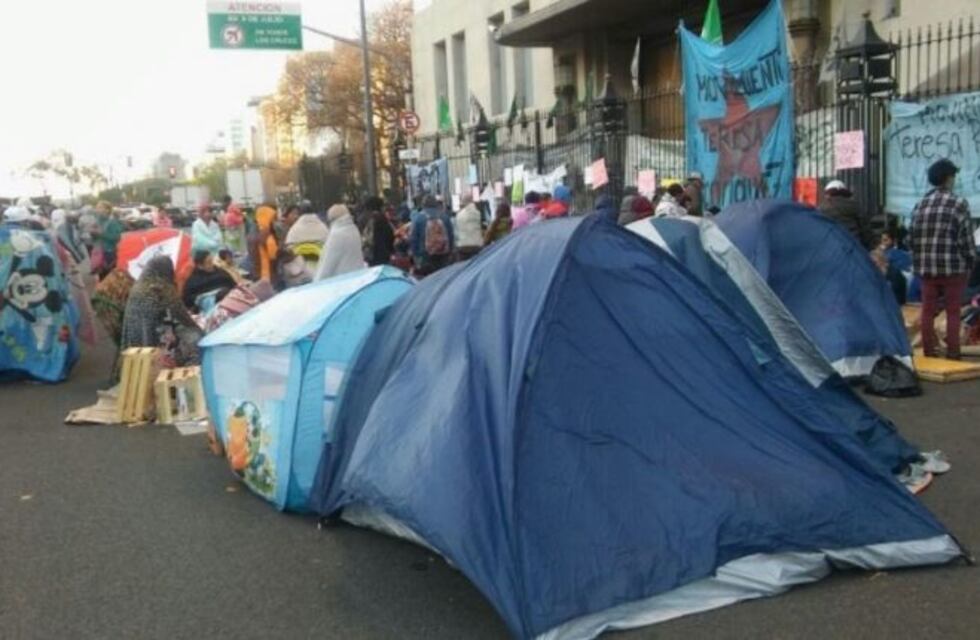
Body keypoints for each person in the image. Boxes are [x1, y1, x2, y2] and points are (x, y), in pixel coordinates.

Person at [910, 159, 976, 360]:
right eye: (953, 176)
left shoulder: (920, 205)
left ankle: (929, 351)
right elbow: (965, 239)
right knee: (953, 311)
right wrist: (970, 260)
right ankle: (953, 352)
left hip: (926, 268)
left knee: (928, 310)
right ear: (948, 178)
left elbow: (911, 238)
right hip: (953, 268)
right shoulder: (959, 204)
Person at [120, 256, 203, 369]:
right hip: (156, 347)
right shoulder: (161, 289)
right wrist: (199, 330)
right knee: (195, 340)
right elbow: (183, 318)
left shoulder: (138, 288)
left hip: (136, 346)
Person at [314, 204, 365, 281]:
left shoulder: (336, 235)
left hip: (341, 282)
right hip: (358, 279)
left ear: (331, 219)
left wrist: (316, 284)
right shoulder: (354, 229)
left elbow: (327, 264)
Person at [819, 180, 872, 248]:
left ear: (828, 194)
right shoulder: (855, 206)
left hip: (831, 246)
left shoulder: (821, 209)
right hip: (854, 245)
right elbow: (865, 229)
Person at [411, 195, 455, 276]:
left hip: (425, 256)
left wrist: (415, 255)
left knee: (429, 279)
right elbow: (451, 236)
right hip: (443, 255)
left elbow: (414, 239)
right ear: (436, 204)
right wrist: (450, 252)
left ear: (423, 205)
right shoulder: (445, 217)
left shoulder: (419, 218)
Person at [360, 196, 395, 267]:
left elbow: (367, 239)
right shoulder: (383, 219)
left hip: (373, 258)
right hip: (384, 256)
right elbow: (390, 236)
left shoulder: (369, 221)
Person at [92, 201, 124, 277]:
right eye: (97, 207)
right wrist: (92, 233)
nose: (97, 209)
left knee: (110, 275)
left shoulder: (113, 222)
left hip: (109, 252)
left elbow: (117, 237)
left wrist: (101, 234)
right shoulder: (97, 221)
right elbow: (95, 238)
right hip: (99, 251)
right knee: (101, 275)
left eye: (100, 207)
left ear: (107, 210)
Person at [254, 203, 280, 282]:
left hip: (259, 275)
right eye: (273, 219)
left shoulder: (254, 234)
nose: (275, 222)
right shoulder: (267, 237)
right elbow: (274, 256)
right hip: (270, 275)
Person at [454, 193, 483, 261]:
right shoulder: (478, 213)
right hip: (476, 245)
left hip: (462, 246)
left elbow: (456, 232)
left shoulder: (459, 215)